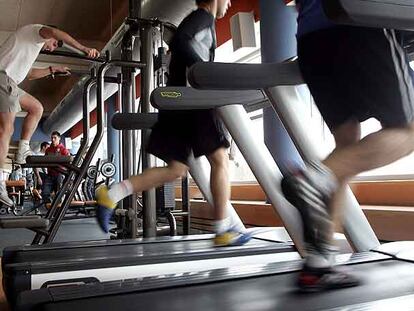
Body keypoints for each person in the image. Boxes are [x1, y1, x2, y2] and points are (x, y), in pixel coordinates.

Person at [281, 0, 414, 291]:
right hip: (360, 20)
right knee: (408, 130)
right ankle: (313, 180)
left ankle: (320, 262)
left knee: (346, 148)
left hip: (310, 39)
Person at [96, 0, 249, 246]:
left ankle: (112, 194)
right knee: (220, 158)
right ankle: (223, 230)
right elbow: (180, 40)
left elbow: (180, 45)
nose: (229, 3)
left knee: (175, 170)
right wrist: (202, 70)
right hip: (193, 102)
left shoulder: (203, 21)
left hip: (179, 105)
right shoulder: (203, 17)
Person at [0, 24, 99, 207]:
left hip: (11, 81)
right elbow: (53, 32)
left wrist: (53, 69)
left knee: (36, 108)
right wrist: (84, 49)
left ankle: (23, 148)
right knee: (7, 128)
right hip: (3, 77)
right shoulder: (36, 31)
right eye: (55, 44)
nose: (53, 48)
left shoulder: (30, 47)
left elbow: (29, 74)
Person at [42, 131, 69, 204]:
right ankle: (50, 209)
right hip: (50, 174)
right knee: (45, 193)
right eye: (52, 138)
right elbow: (44, 160)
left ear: (59, 138)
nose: (53, 139)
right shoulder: (48, 150)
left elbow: (68, 163)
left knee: (59, 194)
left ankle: (58, 210)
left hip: (59, 174)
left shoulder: (64, 150)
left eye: (55, 138)